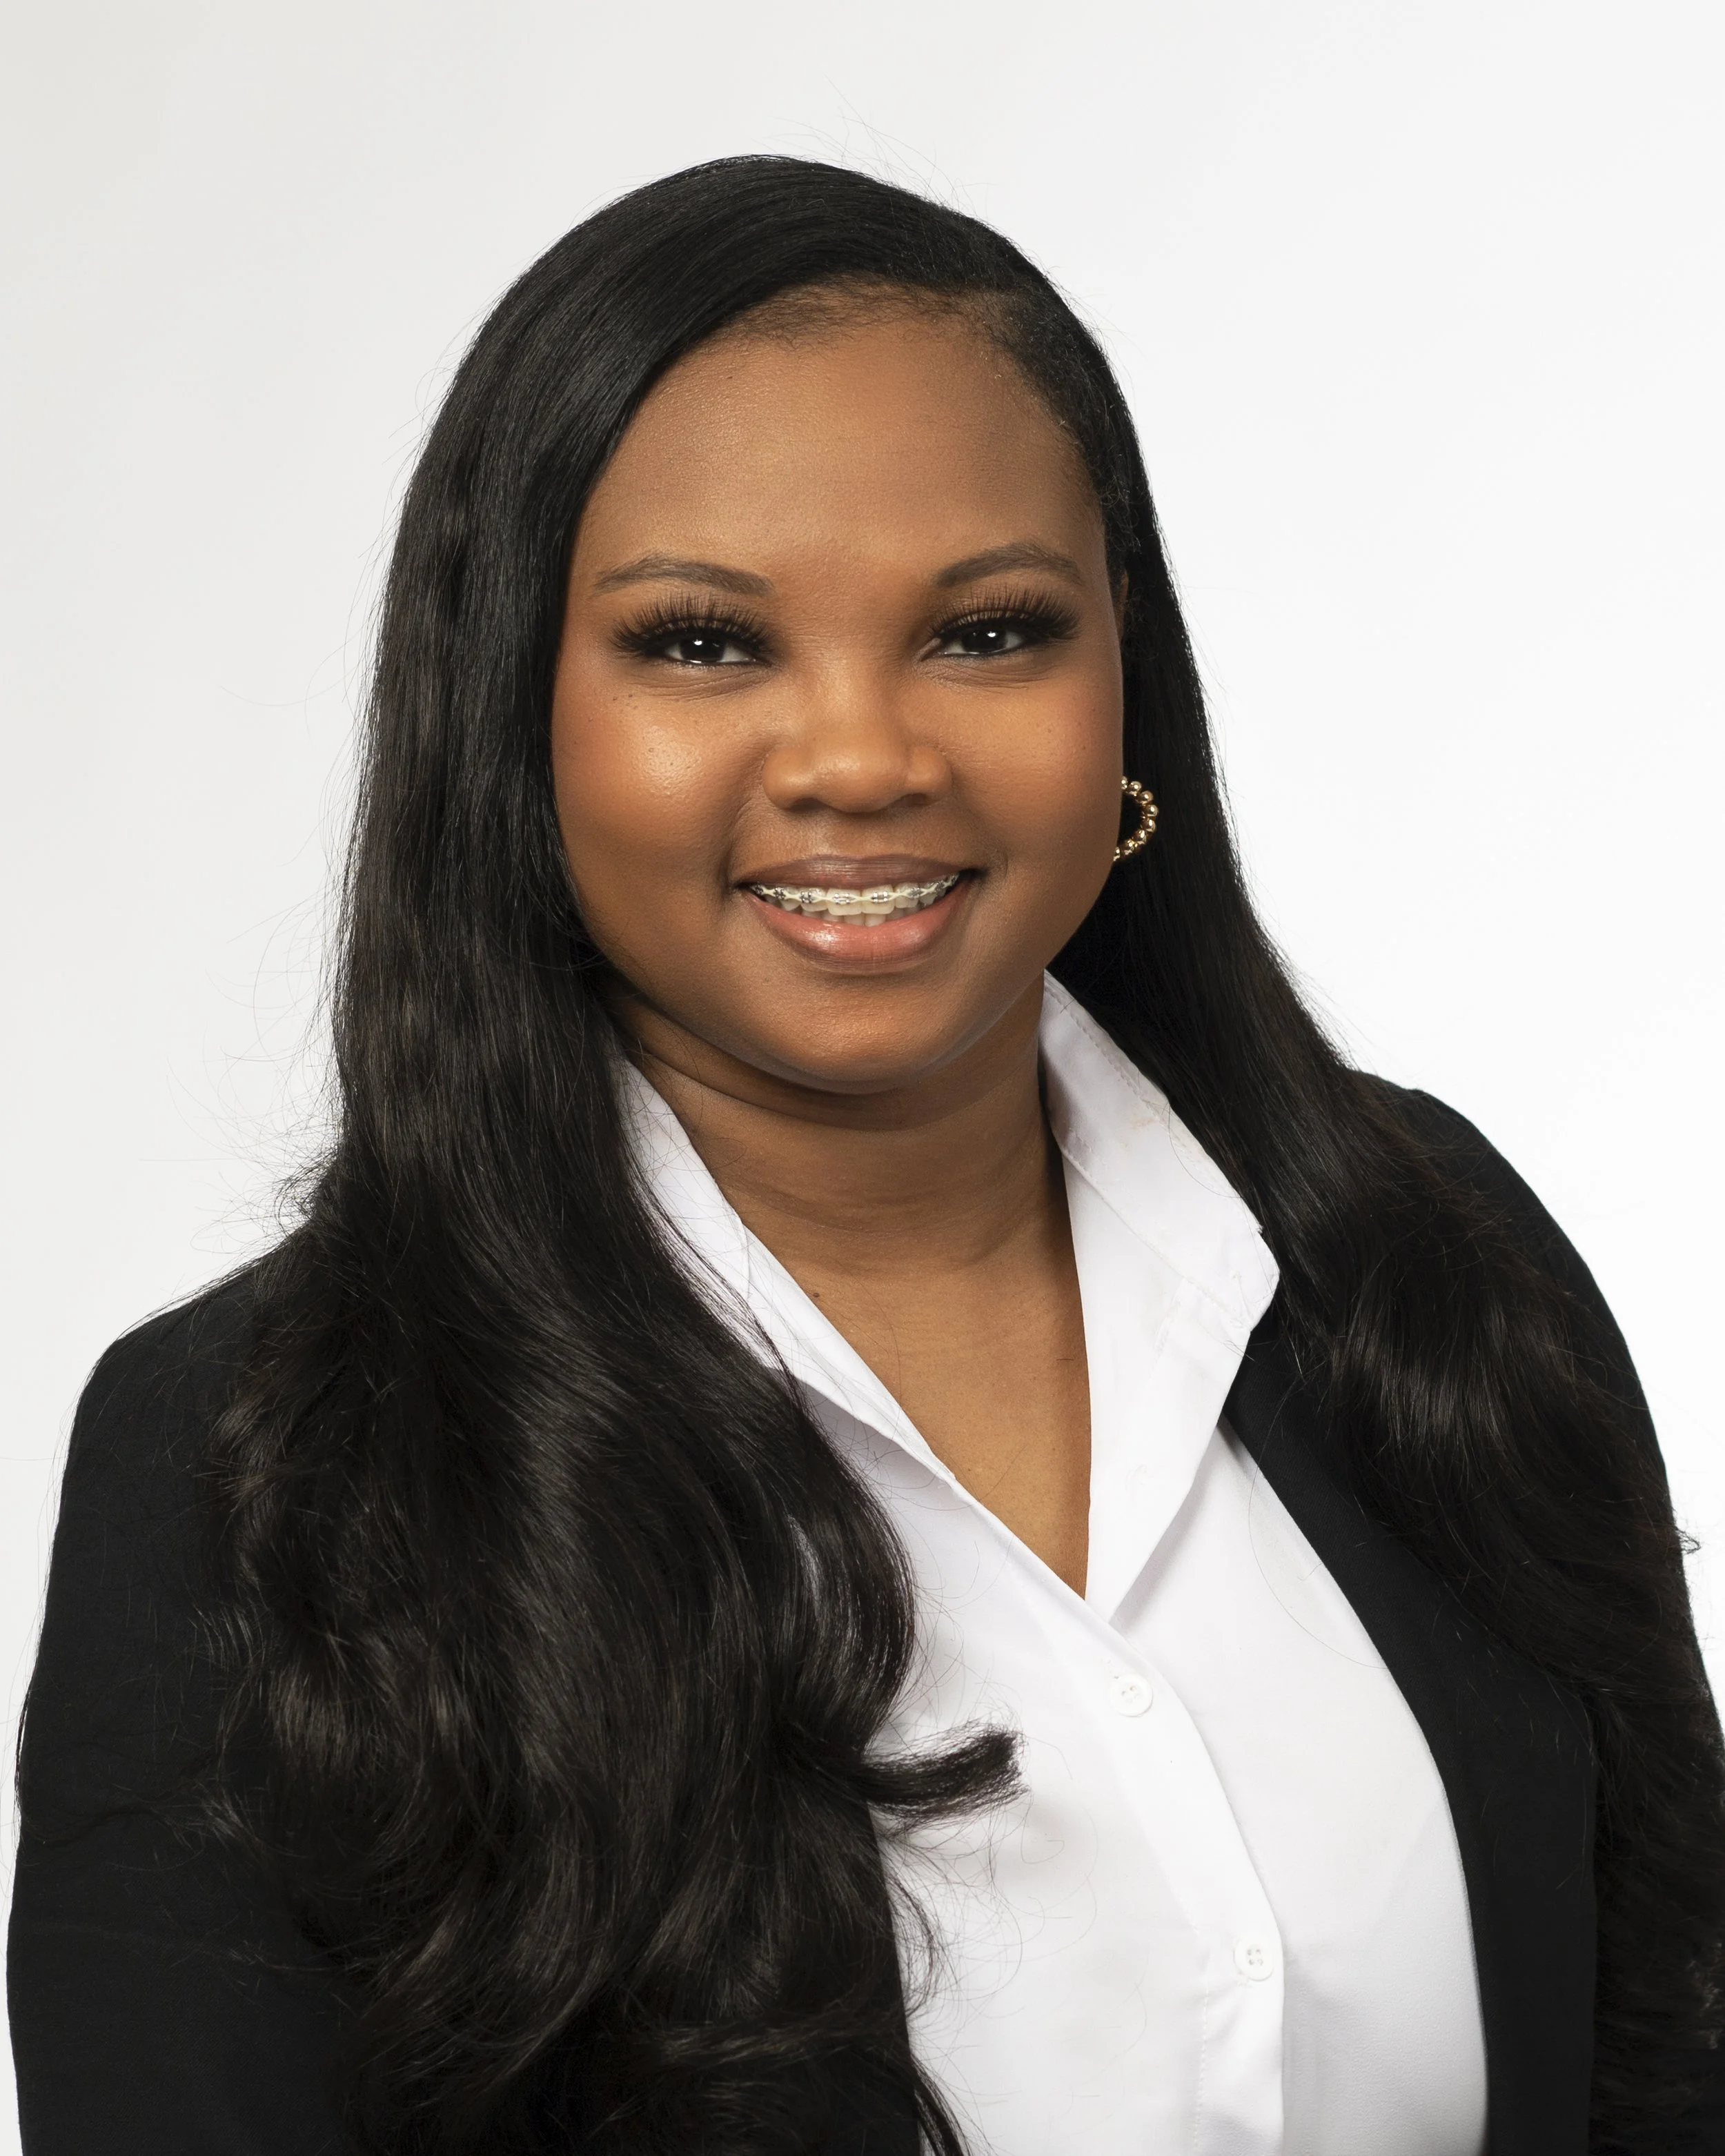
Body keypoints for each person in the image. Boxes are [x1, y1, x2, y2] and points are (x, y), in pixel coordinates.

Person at [7, 156, 1722, 2156]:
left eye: (987, 631)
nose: (863, 759)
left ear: (1126, 687)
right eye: (703, 645)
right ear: (510, 718)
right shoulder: (257, 1462)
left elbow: (1665, 2046)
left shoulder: (1419, 1247)